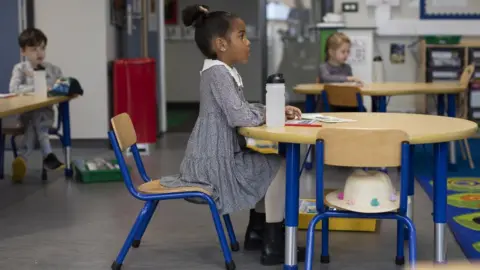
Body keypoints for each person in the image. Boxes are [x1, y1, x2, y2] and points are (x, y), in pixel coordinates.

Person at [160, 4, 305, 266]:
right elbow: (239, 117)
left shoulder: (223, 71)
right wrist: (270, 113)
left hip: (218, 156)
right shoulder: (217, 73)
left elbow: (241, 108)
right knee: (277, 167)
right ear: (221, 44)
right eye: (242, 36)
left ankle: (258, 232)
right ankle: (273, 243)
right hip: (213, 164)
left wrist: (272, 110)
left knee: (270, 164)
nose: (248, 42)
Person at [9, 28, 64, 183]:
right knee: (34, 121)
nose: (39, 53)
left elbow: (61, 85)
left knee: (37, 118)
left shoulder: (53, 69)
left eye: (42, 48)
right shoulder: (19, 69)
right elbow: (14, 89)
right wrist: (37, 85)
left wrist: (52, 86)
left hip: (46, 115)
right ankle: (48, 155)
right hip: (25, 116)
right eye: (34, 49)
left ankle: (22, 159)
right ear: (23, 51)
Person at [317, 32, 364, 112]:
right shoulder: (324, 67)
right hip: (328, 107)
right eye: (343, 52)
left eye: (348, 51)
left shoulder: (347, 68)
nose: (346, 55)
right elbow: (327, 78)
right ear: (331, 52)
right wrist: (348, 78)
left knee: (363, 110)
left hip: (347, 106)